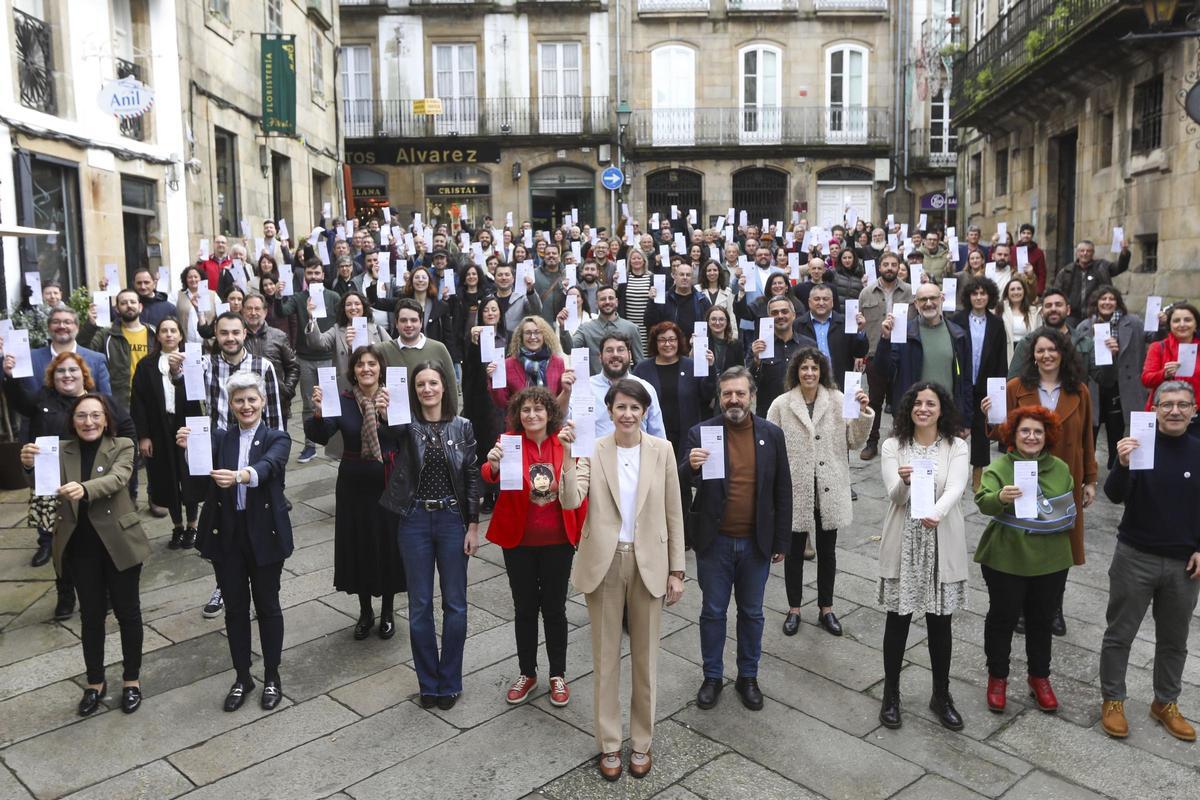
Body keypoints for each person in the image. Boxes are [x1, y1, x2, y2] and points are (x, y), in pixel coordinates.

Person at [559, 378, 685, 781]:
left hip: (650, 562)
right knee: (605, 659)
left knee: (646, 661)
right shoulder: (593, 451)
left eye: (635, 407)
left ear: (644, 412)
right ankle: (610, 744)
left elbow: (674, 512)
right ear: (609, 411)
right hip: (605, 562)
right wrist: (565, 455)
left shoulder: (662, 451)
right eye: (620, 407)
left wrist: (677, 570)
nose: (627, 414)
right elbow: (570, 500)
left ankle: (642, 741)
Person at [21, 394, 149, 715]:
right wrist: (28, 466)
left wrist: (84, 488)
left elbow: (119, 478)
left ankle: (131, 680)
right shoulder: (59, 449)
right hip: (80, 548)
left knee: (128, 613)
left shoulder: (123, 445)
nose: (88, 422)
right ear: (73, 421)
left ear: (106, 419)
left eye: (95, 415)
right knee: (91, 617)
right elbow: (43, 486)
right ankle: (95, 682)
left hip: (119, 544)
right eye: (81, 416)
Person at [681, 366, 791, 711]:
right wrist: (691, 467)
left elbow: (783, 489)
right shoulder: (702, 432)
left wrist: (781, 541)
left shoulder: (771, 434)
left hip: (756, 543)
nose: (733, 399)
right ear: (718, 396)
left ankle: (748, 676)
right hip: (715, 542)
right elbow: (680, 482)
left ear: (752, 396)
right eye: (727, 393)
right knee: (713, 612)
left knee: (752, 613)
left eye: (740, 393)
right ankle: (712, 676)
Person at [182, 372, 293, 712]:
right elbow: (197, 483)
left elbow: (269, 466)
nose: (246, 406)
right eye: (239, 400)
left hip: (265, 533)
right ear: (230, 405)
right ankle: (242, 676)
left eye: (251, 399)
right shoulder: (220, 438)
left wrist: (241, 475)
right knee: (234, 609)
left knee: (268, 606)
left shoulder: (278, 437)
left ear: (262, 402)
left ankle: (272, 675)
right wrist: (190, 450)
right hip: (226, 534)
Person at [1100, 381, 1200, 741]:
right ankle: (1113, 699)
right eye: (1167, 404)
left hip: (1183, 564)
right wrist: (1123, 463)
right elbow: (1112, 495)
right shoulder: (1138, 446)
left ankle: (1166, 702)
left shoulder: (1197, 451)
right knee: (1119, 633)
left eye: (1182, 405)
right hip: (1135, 555)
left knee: (1175, 639)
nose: (1175, 411)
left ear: (1193, 410)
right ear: (1154, 409)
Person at [379, 362, 481, 710]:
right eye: (421, 384)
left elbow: (471, 476)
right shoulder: (405, 426)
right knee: (420, 606)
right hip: (415, 520)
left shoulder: (462, 426)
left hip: (453, 519)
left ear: (444, 387)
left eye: (433, 383)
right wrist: (381, 413)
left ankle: (450, 679)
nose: (427, 389)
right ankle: (428, 682)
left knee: (455, 603)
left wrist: (472, 525)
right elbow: (384, 440)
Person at [5, 350, 138, 617]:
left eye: (73, 370)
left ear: (84, 375)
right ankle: (65, 594)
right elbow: (18, 401)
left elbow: (127, 430)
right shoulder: (42, 399)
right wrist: (9, 377)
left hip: (92, 480)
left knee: (101, 536)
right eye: (61, 371)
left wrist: (121, 465)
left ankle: (108, 591)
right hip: (52, 484)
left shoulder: (100, 402)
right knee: (61, 544)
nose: (67, 375)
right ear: (52, 377)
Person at [985, 326, 1096, 636]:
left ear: (1062, 353)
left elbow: (1088, 436)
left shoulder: (1079, 391)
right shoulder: (1016, 387)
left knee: (1061, 539)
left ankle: (1053, 607)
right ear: (1032, 356)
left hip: (1065, 476)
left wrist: (1090, 479)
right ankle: (1021, 605)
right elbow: (999, 433)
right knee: (1025, 533)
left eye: (1052, 349)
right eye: (1040, 350)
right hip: (1024, 473)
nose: (1047, 355)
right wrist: (991, 416)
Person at [481, 387, 584, 707]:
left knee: (555, 609)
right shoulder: (509, 442)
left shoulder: (563, 442)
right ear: (518, 414)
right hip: (519, 541)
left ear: (550, 413)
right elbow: (487, 475)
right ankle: (528, 672)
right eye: (526, 410)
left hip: (557, 541)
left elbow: (579, 483)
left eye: (539, 409)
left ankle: (558, 674)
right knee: (524, 608)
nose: (532, 415)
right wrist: (493, 464)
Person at [878, 382, 970, 731]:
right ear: (909, 409)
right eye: (917, 403)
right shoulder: (893, 446)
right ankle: (891, 694)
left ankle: (941, 694)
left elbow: (956, 488)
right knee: (897, 621)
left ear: (940, 409)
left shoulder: (956, 445)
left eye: (930, 404)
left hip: (940, 536)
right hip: (904, 538)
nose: (924, 409)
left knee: (940, 623)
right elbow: (895, 496)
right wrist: (904, 482)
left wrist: (937, 512)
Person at [974, 406, 1077, 714]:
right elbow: (984, 502)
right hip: (1006, 557)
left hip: (1051, 560)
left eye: (1037, 432)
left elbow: (1067, 511)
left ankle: (1039, 678)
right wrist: (1000, 499)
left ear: (1047, 437)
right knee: (1002, 618)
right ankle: (998, 677)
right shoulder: (1001, 467)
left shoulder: (1060, 468)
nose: (1031, 437)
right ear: (1013, 435)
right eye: (1025, 431)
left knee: (1041, 620)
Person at [768, 348, 873, 638]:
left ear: (822, 371)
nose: (809, 373)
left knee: (827, 551)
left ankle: (826, 607)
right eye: (804, 368)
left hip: (830, 486)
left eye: (814, 368)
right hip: (795, 489)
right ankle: (794, 609)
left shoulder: (840, 400)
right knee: (792, 552)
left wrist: (863, 413)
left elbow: (854, 440)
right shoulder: (781, 404)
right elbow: (771, 447)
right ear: (796, 372)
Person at [306, 345, 406, 641]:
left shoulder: (393, 396)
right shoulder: (344, 400)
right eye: (360, 364)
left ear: (380, 368)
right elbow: (321, 434)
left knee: (387, 545)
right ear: (353, 370)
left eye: (372, 364)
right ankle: (365, 611)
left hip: (388, 482)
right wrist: (319, 413)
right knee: (359, 544)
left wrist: (387, 415)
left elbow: (403, 435)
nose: (366, 369)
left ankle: (387, 610)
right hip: (353, 484)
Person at [130, 317, 205, 549]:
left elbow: (199, 395)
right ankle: (177, 526)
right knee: (167, 477)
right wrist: (143, 436)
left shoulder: (192, 360)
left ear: (181, 335)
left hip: (187, 425)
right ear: (158, 336)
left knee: (189, 476)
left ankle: (193, 525)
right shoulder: (146, 365)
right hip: (158, 428)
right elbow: (138, 403)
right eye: (164, 331)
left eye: (174, 330)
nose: (169, 335)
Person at [881, 281, 974, 429]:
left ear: (941, 299)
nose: (928, 303)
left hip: (947, 416)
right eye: (923, 299)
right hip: (912, 415)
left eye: (933, 298)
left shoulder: (958, 335)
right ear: (916, 303)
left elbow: (966, 381)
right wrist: (885, 339)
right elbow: (885, 371)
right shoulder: (903, 333)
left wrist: (966, 420)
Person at [950, 276, 1008, 489]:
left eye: (983, 293)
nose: (979, 297)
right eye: (975, 293)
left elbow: (1001, 359)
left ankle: (977, 476)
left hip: (985, 385)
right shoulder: (957, 320)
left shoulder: (996, 324)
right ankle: (953, 474)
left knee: (982, 433)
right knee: (956, 429)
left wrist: (999, 389)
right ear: (969, 296)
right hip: (962, 383)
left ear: (990, 296)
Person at [858, 252, 913, 460]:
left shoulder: (909, 292)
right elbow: (859, 324)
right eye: (886, 264)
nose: (889, 268)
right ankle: (872, 442)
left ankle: (900, 442)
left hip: (903, 352)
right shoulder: (866, 293)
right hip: (874, 352)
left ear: (899, 267)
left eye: (894, 264)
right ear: (879, 267)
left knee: (902, 401)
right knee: (875, 400)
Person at [1084, 286, 1147, 466]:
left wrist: (1161, 322)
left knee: (1116, 429)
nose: (1107, 302)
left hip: (1121, 386)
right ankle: (1089, 467)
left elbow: (1152, 336)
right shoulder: (1086, 326)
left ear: (1117, 302)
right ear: (1096, 302)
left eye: (1111, 299)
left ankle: (1116, 465)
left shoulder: (1133, 323)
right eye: (1103, 299)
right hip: (1095, 385)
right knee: (1091, 429)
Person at [632, 321, 713, 458]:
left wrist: (710, 368)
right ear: (655, 343)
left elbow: (707, 394)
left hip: (686, 435)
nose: (667, 344)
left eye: (671, 339)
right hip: (653, 435)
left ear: (678, 341)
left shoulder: (691, 366)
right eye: (662, 340)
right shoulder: (642, 369)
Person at [463, 296, 508, 513]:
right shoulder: (473, 339)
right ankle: (487, 492)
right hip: (481, 402)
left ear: (500, 313)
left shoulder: (507, 338)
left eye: (494, 310)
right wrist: (473, 344)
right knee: (483, 447)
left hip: (503, 401)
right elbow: (468, 374)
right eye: (486, 310)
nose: (490, 313)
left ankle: (502, 491)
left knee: (501, 445)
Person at [378, 299, 460, 411]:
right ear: (396, 323)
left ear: (421, 323)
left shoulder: (438, 348)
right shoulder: (383, 350)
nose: (409, 325)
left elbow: (451, 388)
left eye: (413, 320)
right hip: (397, 421)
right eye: (403, 320)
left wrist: (452, 419)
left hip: (432, 420)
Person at [304, 290, 389, 393]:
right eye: (348, 305)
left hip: (373, 387)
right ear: (344, 309)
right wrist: (312, 318)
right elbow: (317, 343)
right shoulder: (337, 329)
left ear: (364, 307)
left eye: (357, 304)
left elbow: (391, 352)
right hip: (346, 388)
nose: (353, 308)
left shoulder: (377, 330)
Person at [489, 315, 575, 415]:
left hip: (551, 426)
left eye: (537, 332)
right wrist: (494, 379)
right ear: (521, 336)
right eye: (528, 333)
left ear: (544, 335)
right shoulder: (508, 364)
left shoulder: (557, 362)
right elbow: (501, 403)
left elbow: (561, 401)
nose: (533, 337)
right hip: (519, 426)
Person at [749, 295, 818, 416]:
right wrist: (756, 361)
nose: (780, 316)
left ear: (794, 315)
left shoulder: (809, 345)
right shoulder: (759, 347)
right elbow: (751, 383)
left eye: (784, 311)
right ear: (769, 317)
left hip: (803, 413)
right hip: (769, 414)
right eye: (774, 313)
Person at [589, 333, 667, 438]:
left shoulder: (646, 388)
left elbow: (657, 433)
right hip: (596, 453)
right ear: (600, 357)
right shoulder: (586, 388)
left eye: (620, 350)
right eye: (609, 350)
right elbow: (566, 421)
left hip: (640, 453)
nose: (615, 354)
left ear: (630, 355)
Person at [795, 284, 868, 391]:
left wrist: (860, 331)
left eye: (825, 299)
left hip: (839, 382)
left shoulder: (845, 322)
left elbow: (860, 352)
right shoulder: (798, 325)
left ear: (832, 302)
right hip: (808, 382)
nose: (821, 303)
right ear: (809, 302)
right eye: (817, 299)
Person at [241, 293, 300, 425]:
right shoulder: (236, 338)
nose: (253, 312)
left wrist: (286, 391)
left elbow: (293, 367)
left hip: (276, 404)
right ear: (242, 311)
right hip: (245, 406)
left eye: (257, 309)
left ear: (265, 311)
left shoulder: (278, 336)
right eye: (249, 308)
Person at [91, 288, 154, 411]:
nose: (129, 305)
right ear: (117, 309)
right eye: (124, 303)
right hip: (120, 402)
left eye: (132, 302)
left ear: (140, 307)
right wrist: (90, 326)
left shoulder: (154, 332)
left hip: (150, 399)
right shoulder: (106, 334)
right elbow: (85, 348)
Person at [28, 305, 112, 397]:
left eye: (67, 322)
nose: (61, 326)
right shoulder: (31, 359)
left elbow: (106, 401)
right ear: (48, 327)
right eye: (56, 322)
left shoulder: (97, 360)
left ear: (77, 327)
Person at [1142, 302, 1200, 428]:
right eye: (1176, 321)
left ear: (1196, 325)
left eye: (1188, 320)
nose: (1182, 324)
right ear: (1170, 325)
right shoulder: (1158, 347)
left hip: (1196, 414)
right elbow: (1146, 380)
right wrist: (1164, 373)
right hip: (1165, 413)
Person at [1052, 238, 1131, 324]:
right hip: (1072, 316)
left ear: (1093, 253)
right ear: (1077, 253)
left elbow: (1120, 267)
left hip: (1095, 315)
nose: (1085, 253)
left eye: (1088, 251)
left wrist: (1124, 253)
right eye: (1082, 251)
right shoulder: (1067, 271)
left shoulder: (1102, 267)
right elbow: (1057, 293)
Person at [571, 286, 643, 375]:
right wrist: (563, 328)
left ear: (616, 302)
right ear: (596, 304)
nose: (607, 302)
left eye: (611, 298)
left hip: (624, 386)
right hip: (596, 385)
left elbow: (640, 363)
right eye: (603, 299)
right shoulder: (586, 329)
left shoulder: (631, 328)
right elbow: (569, 348)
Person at [999, 278, 1042, 366]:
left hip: (1027, 354)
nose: (1016, 292)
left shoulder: (1034, 312)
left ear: (1024, 291)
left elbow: (1039, 336)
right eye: (1012, 289)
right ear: (1007, 293)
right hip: (1005, 354)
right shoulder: (1000, 310)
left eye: (1019, 289)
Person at [176, 265, 215, 344]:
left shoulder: (212, 295)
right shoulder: (177, 295)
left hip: (208, 342)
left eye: (196, 277)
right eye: (190, 277)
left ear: (201, 278)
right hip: (187, 342)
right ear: (185, 280)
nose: (193, 279)